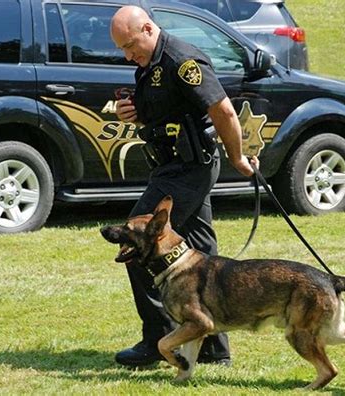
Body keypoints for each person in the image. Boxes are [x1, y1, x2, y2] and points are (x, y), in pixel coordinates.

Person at [110, 5, 259, 367]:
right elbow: (168, 109)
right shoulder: (149, 63)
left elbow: (222, 110)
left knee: (137, 244)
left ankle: (159, 341)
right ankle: (213, 348)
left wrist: (238, 158)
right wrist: (133, 112)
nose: (129, 55)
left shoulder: (182, 60)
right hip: (172, 165)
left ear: (147, 28)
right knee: (202, 252)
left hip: (186, 169)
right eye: (124, 51)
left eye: (131, 45)